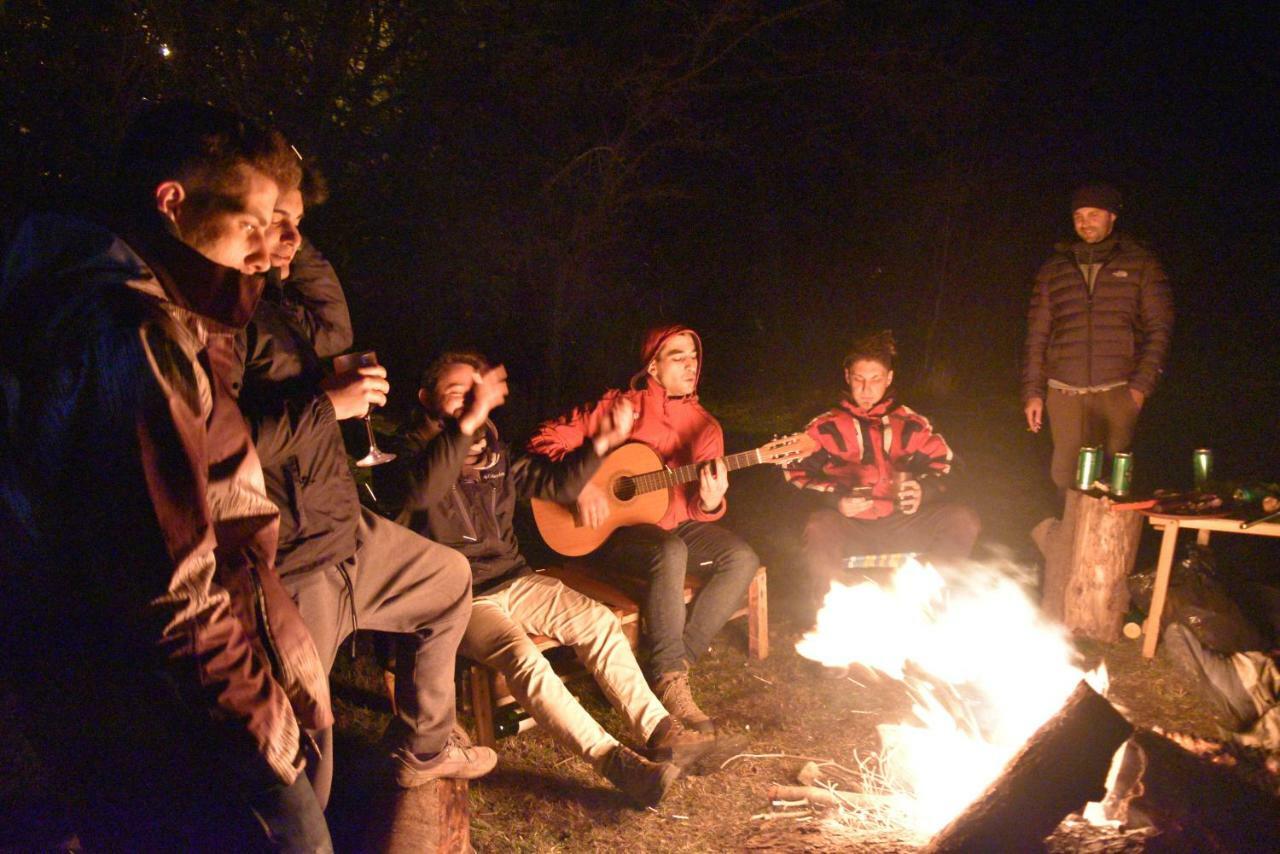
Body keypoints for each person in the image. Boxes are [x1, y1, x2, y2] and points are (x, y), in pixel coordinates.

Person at [0, 101, 333, 850]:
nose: (266, 251)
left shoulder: (146, 309)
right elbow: (170, 590)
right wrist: (265, 732)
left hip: (149, 700)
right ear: (172, 203)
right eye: (251, 223)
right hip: (169, 715)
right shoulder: (129, 336)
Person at [238, 168, 495, 805]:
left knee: (447, 580)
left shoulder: (282, 300)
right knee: (301, 748)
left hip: (342, 527)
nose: (293, 235)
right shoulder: (218, 315)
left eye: (300, 220)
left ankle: (423, 746)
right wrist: (327, 405)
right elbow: (223, 450)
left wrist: (292, 228)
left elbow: (335, 328)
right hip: (290, 557)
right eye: (276, 218)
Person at [376, 351, 717, 807]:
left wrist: (599, 444)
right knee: (524, 659)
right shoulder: (408, 451)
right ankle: (615, 762)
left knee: (598, 622)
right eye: (458, 392)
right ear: (424, 397)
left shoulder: (493, 446)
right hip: (460, 594)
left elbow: (555, 483)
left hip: (513, 578)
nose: (470, 402)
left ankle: (660, 729)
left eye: (476, 393)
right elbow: (423, 490)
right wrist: (470, 418)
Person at [528, 325, 761, 734]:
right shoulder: (618, 407)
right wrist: (578, 485)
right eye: (678, 357)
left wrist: (710, 500)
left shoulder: (706, 428)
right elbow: (543, 440)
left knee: (741, 557)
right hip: (610, 530)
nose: (691, 366)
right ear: (652, 364)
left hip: (672, 524)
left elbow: (696, 508)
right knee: (670, 550)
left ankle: (671, 667)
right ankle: (670, 675)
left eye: (694, 357)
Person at [786, 331, 980, 614]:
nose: (867, 390)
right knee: (818, 526)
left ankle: (920, 603)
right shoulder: (823, 427)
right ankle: (833, 615)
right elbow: (793, 476)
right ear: (847, 376)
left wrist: (923, 491)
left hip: (902, 522)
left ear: (889, 378)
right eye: (859, 379)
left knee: (963, 521)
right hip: (848, 525)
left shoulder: (912, 423)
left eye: (875, 379)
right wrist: (836, 501)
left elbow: (950, 467)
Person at [1021, 183, 1174, 492]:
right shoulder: (1055, 269)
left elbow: (1160, 328)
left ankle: (1108, 539)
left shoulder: (1140, 263)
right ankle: (1072, 537)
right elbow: (1037, 334)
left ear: (1112, 217)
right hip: (1064, 392)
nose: (1084, 222)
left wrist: (1140, 388)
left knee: (1113, 481)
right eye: (1078, 215)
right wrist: (1033, 392)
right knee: (1066, 478)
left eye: (1093, 214)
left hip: (1117, 390)